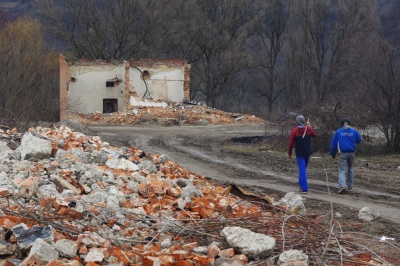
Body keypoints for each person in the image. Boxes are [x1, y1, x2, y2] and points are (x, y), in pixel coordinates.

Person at [329, 117, 362, 194]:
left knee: (342, 170)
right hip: (352, 152)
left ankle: (342, 186)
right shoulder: (353, 131)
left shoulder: (338, 132)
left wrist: (333, 153)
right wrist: (357, 132)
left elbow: (333, 144)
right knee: (350, 169)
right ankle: (350, 186)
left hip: (343, 153)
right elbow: (359, 140)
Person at [288, 115, 317, 194]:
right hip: (307, 152)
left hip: (299, 153)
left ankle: (304, 188)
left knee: (302, 169)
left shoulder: (295, 131)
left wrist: (289, 153)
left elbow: (291, 144)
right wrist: (310, 126)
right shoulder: (309, 129)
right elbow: (314, 135)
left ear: (297, 121)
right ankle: (301, 186)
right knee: (303, 169)